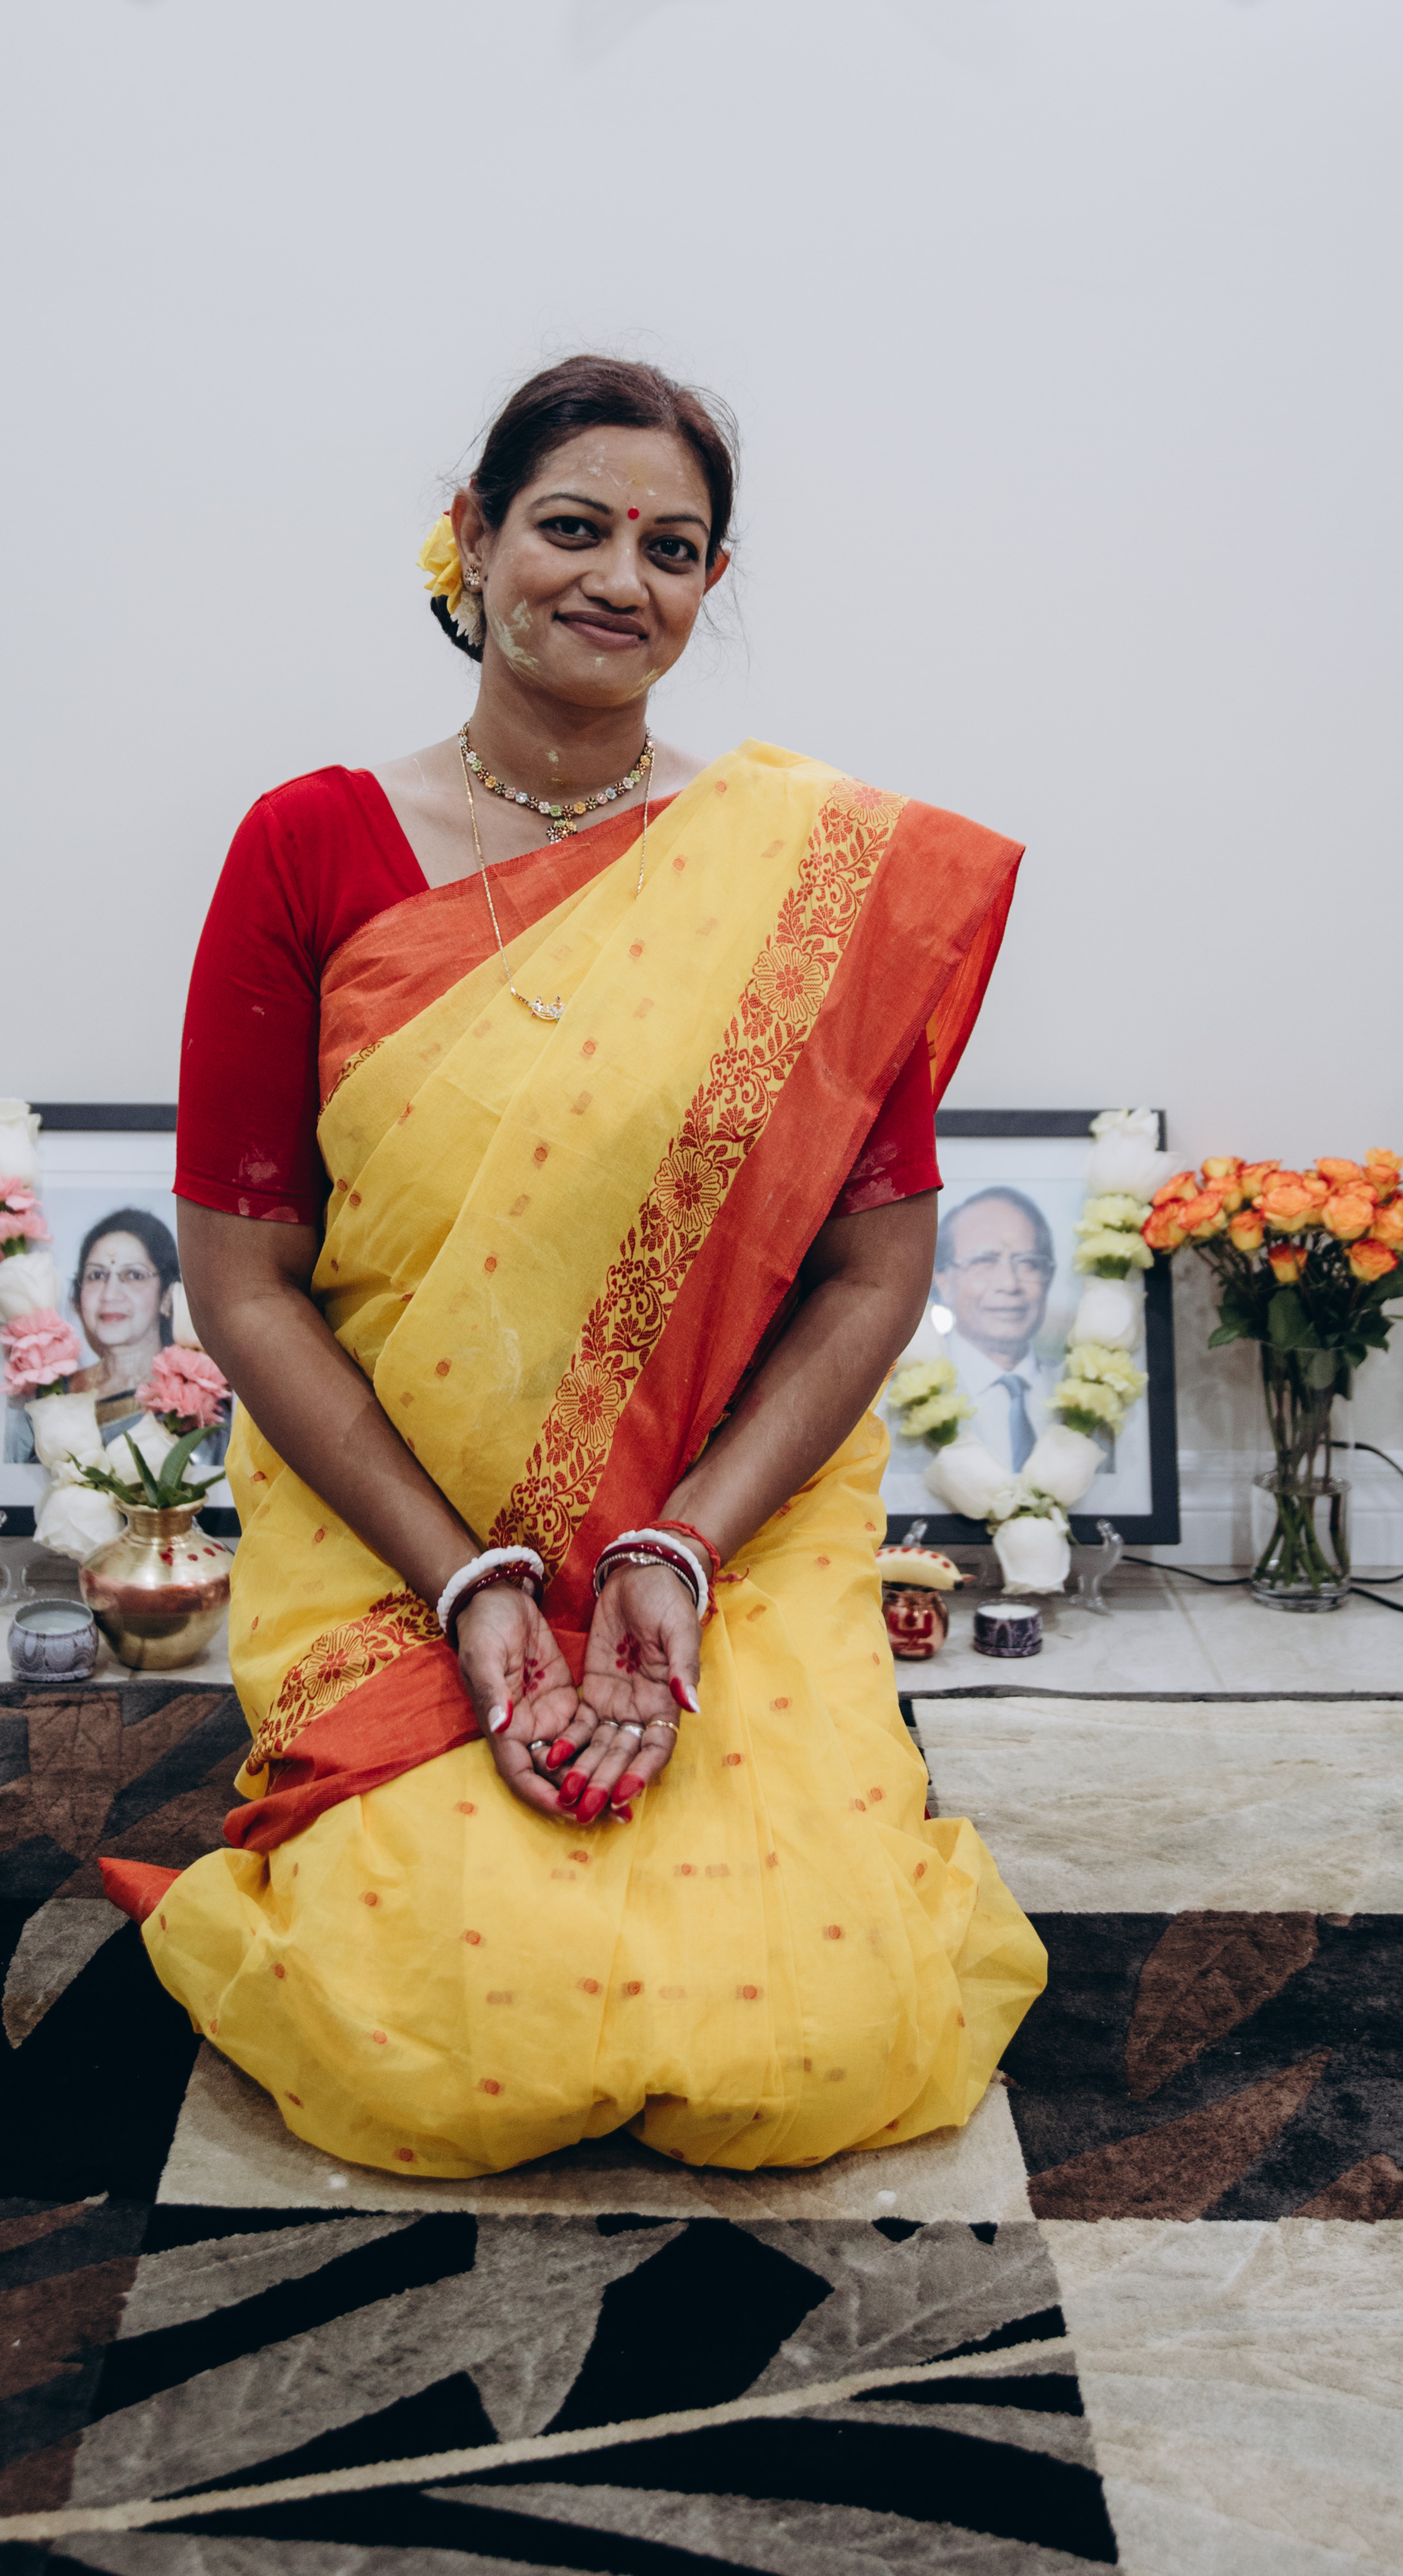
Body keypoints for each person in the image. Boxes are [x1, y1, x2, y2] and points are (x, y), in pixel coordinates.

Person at [133, 355, 1046, 2179]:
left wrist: (675, 1547)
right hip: (400, 1512)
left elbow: (875, 1273)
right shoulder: (310, 844)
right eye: (571, 526)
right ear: (470, 539)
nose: (620, 579)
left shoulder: (804, 878)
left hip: (717, 1516)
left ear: (710, 582)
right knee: (438, 2042)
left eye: (672, 548)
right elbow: (244, 1282)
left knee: (814, 2040)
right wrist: (472, 1577)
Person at [933, 1186, 1058, 1477]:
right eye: (984, 1262)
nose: (1009, 1284)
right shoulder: (897, 1397)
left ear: (1049, 1277)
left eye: (1028, 1264)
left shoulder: (1082, 1393)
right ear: (944, 1281)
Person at [67, 1208, 178, 1436]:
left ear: (167, 1296)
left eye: (134, 1275)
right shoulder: (54, 1394)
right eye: (97, 1275)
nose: (110, 1295)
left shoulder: (199, 1399)